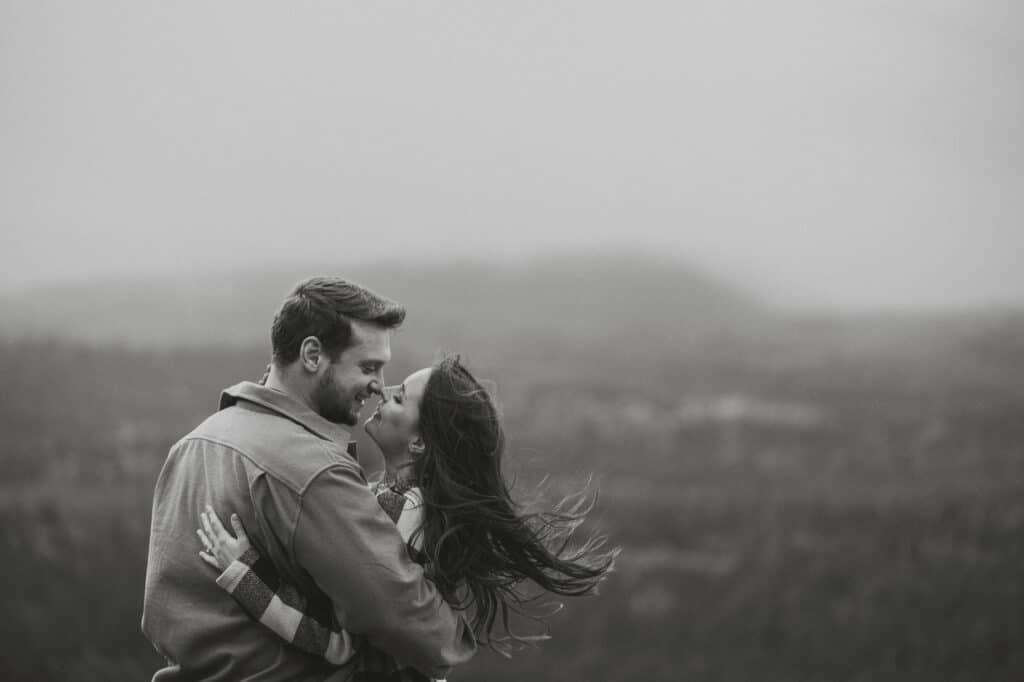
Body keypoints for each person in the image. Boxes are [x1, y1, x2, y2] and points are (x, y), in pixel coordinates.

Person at [194, 355, 618, 679]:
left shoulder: (399, 512)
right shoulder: (408, 508)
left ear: (418, 445)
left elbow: (336, 642)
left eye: (399, 398)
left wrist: (246, 575)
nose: (383, 391)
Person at [142, 277, 477, 681]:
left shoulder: (191, 446)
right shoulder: (314, 471)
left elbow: (162, 613)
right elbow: (417, 630)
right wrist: (451, 640)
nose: (377, 385)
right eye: (368, 367)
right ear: (313, 355)